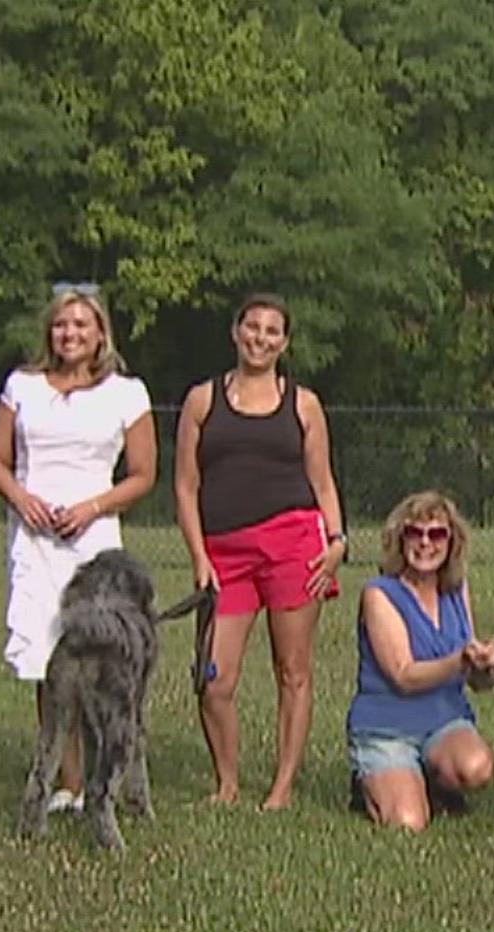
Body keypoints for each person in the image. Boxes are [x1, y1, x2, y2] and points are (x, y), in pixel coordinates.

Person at [0, 286, 155, 815]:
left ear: (100, 332)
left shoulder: (127, 393)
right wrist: (22, 499)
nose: (70, 334)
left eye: (82, 325)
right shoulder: (23, 387)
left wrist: (94, 507)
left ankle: (111, 776)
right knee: (47, 658)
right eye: (61, 325)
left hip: (94, 542)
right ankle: (66, 778)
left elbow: (144, 474)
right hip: (36, 540)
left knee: (102, 663)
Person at [173, 293, 346, 810]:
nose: (261, 339)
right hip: (224, 554)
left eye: (272, 331)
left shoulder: (304, 404)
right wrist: (198, 556)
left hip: (294, 546)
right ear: (235, 332)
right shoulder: (203, 400)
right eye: (253, 327)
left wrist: (337, 541)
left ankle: (281, 789)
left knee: (292, 670)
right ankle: (226, 784)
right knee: (213, 678)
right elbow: (185, 486)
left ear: (285, 342)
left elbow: (323, 480)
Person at [346, 491, 494, 830]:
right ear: (400, 540)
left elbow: (474, 677)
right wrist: (459, 660)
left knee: (477, 767)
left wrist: (488, 663)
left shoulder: (456, 591)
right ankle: (368, 783)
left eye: (437, 534)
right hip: (386, 727)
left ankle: (433, 782)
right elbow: (403, 674)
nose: (425, 543)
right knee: (408, 823)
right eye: (415, 533)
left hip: (445, 718)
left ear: (452, 542)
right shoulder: (379, 593)